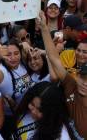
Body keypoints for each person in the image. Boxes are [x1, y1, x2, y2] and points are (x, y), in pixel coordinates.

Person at [38, 11, 87, 139]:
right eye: (79, 50)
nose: (81, 54)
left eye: (85, 52)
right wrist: (44, 28)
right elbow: (54, 58)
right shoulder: (70, 82)